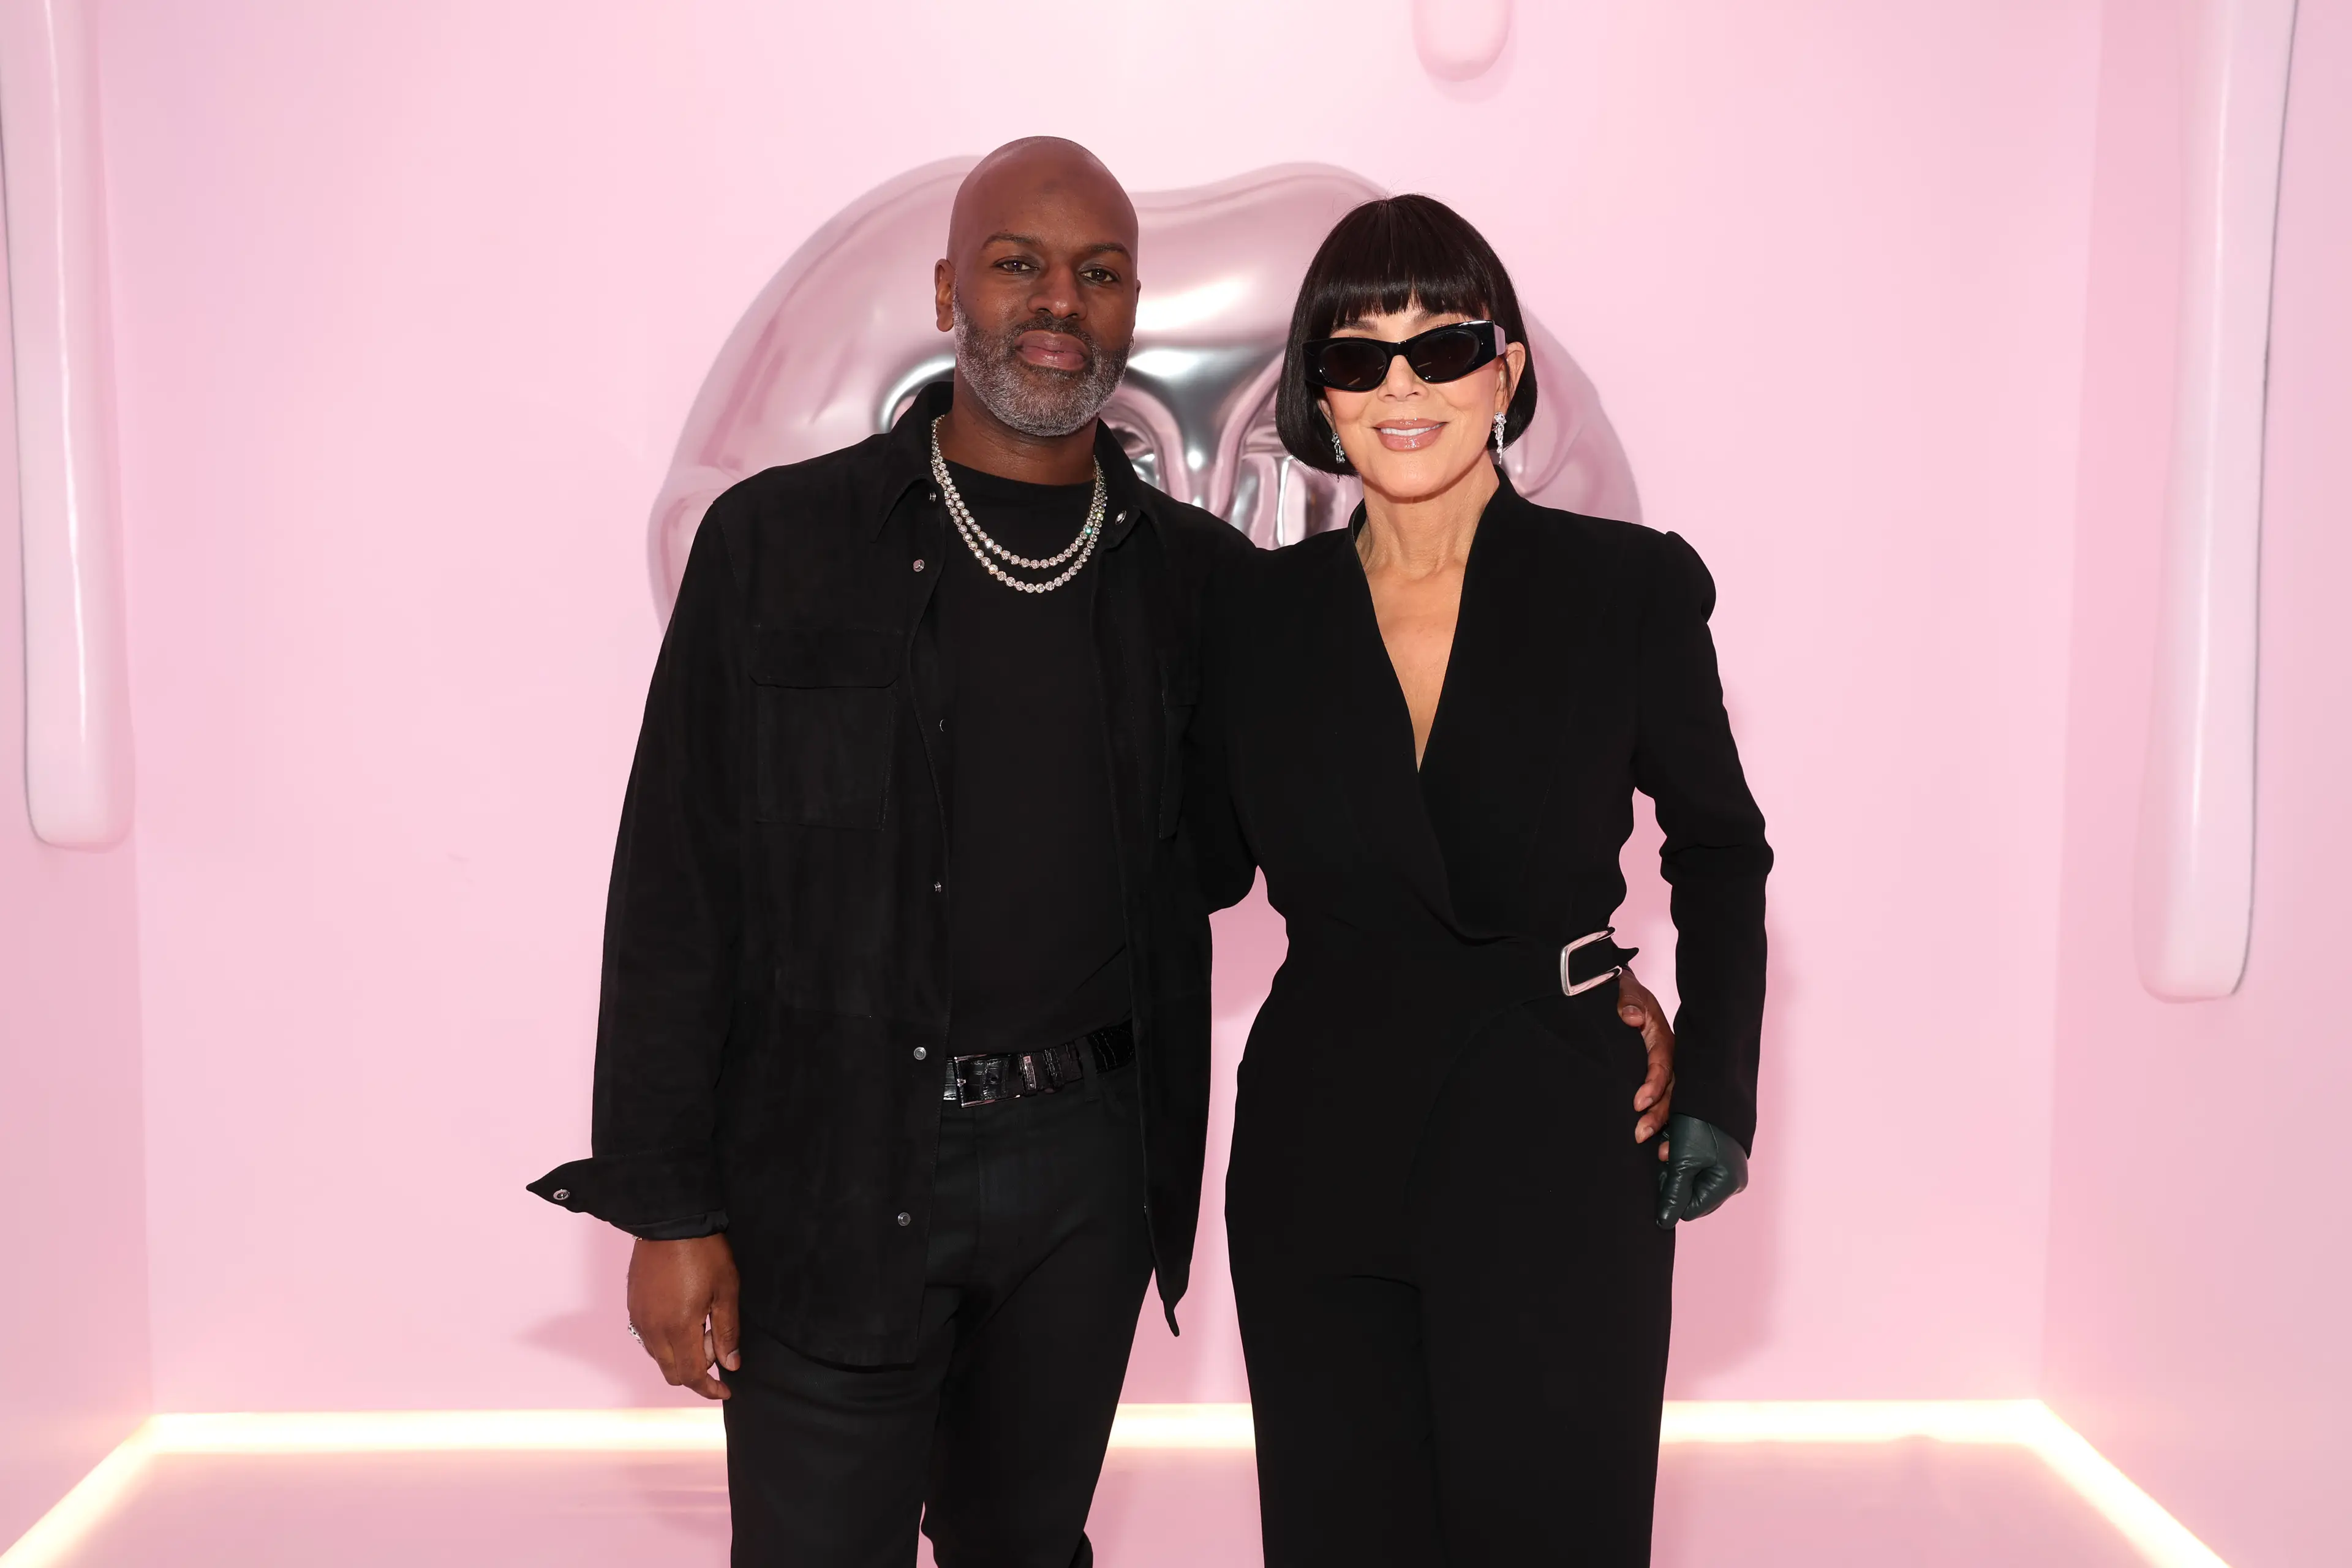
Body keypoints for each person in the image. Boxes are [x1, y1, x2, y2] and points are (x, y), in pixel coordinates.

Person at [530, 138, 1678, 1566]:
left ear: (1130, 311)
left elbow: (1355, 817)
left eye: (1098, 272)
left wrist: (1576, 972)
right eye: (1018, 263)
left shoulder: (1206, 588)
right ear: (951, 286)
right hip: (833, 1165)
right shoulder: (777, 546)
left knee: (1029, 1547)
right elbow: (675, 886)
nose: (1056, 299)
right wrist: (666, 1201)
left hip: (1084, 1175)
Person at [1188, 194, 1771, 1566]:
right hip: (1320, 1147)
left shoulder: (1626, 589)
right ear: (1316, 394)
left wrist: (1723, 1089)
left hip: (1562, 1136)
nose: (1404, 385)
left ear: (1505, 372)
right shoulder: (1257, 619)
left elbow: (1722, 848)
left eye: (1443, 348)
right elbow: (1199, 860)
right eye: (1359, 354)